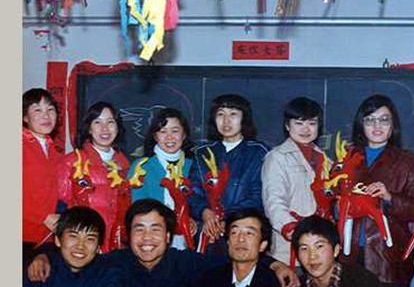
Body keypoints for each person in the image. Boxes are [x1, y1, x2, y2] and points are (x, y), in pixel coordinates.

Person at [28, 199, 299, 287]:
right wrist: (44, 255)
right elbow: (78, 255)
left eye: (155, 229)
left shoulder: (185, 262)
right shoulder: (112, 263)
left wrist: (274, 263)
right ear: (128, 236)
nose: (147, 238)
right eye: (139, 229)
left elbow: (234, 259)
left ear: (168, 237)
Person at [345, 94, 414, 287]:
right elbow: (332, 198)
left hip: (387, 257)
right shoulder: (347, 157)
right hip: (349, 253)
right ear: (361, 124)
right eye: (370, 120)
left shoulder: (406, 161)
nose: (377, 126)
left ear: (393, 126)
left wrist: (390, 198)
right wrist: (340, 207)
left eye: (384, 120)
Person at [188, 94, 269, 255]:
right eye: (220, 114)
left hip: (243, 230)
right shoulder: (202, 153)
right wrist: (205, 212)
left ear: (244, 118)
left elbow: (257, 195)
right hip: (207, 231)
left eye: (233, 114)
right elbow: (191, 192)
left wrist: (228, 219)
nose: (226, 121)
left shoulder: (258, 152)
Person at [262, 97, 329, 267]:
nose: (306, 129)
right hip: (289, 249)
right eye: (299, 123)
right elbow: (273, 201)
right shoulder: (277, 157)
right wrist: (292, 229)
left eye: (312, 123)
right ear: (287, 125)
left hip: (322, 248)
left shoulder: (326, 159)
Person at [57, 101, 131, 253]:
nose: (105, 128)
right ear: (89, 128)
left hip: (117, 246)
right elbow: (60, 207)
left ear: (117, 127)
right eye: (97, 122)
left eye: (110, 122)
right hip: (82, 246)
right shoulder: (72, 162)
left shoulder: (125, 165)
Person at [129, 108, 196, 250]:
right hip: (150, 240)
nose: (169, 137)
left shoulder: (194, 166)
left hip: (187, 241)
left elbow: (200, 202)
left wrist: (192, 219)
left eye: (175, 131)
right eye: (163, 131)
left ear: (184, 134)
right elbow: (135, 209)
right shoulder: (141, 167)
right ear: (155, 136)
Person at [22, 88, 63, 265]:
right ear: (25, 117)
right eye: (37, 110)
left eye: (50, 109)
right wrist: (43, 217)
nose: (46, 116)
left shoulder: (55, 152)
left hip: (46, 238)